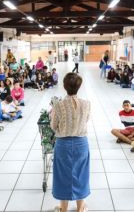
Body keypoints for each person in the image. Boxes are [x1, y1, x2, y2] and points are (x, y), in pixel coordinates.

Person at [50, 73, 91, 212]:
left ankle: (64, 208)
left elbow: (53, 126)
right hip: (81, 144)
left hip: (63, 145)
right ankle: (80, 208)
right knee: (81, 174)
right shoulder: (86, 104)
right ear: (79, 87)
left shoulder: (58, 105)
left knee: (63, 175)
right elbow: (85, 120)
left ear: (64, 86)